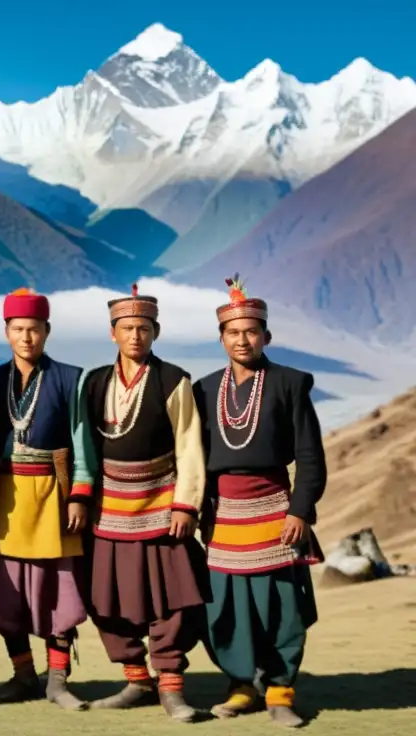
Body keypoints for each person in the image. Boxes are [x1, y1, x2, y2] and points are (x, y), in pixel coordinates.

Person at [192, 275, 326, 728]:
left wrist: (300, 511)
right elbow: (195, 457)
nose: (243, 339)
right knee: (227, 607)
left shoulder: (289, 384)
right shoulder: (205, 390)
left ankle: (280, 690)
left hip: (274, 511)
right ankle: (241, 686)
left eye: (251, 331)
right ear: (221, 338)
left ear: (266, 335)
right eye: (233, 332)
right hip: (223, 516)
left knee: (282, 607)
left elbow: (310, 457)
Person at [77, 284, 208, 723]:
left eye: (144, 328)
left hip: (162, 502)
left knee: (171, 597)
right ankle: (136, 679)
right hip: (108, 508)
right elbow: (85, 449)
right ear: (112, 333)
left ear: (156, 332)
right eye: (127, 327)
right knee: (107, 595)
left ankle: (171, 685)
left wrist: (186, 505)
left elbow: (189, 445)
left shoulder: (174, 380)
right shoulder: (94, 383)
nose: (135, 335)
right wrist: (82, 497)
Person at [0, 288, 92, 709]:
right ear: (7, 332)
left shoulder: (70, 379)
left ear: (47, 331)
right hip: (5, 500)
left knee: (57, 594)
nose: (27, 338)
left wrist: (79, 496)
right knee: (6, 597)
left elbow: (83, 443)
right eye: (18, 329)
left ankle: (58, 679)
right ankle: (24, 673)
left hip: (52, 499)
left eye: (35, 330)